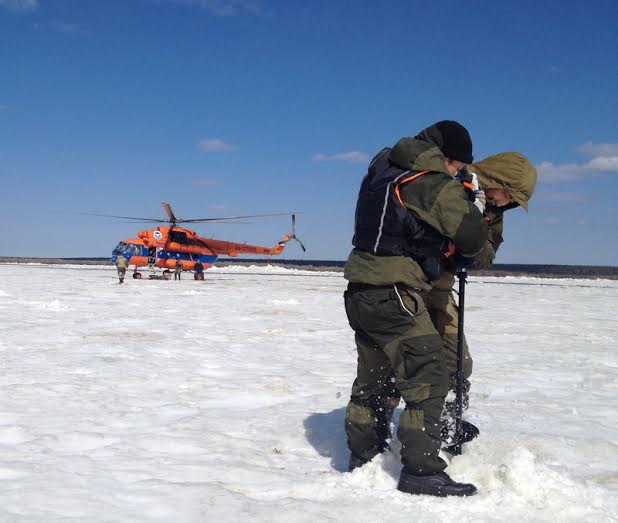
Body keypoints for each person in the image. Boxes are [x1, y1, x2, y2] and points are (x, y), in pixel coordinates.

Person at [343, 120, 488, 497]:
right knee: (430, 375)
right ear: (448, 158)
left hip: (360, 289)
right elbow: (471, 237)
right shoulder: (430, 180)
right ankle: (421, 471)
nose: (458, 173)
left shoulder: (384, 165)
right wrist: (470, 200)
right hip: (395, 292)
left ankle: (364, 457)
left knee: (374, 381)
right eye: (458, 166)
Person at [425, 152, 538, 445]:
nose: (506, 202)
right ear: (497, 179)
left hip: (440, 292)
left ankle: (447, 425)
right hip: (409, 285)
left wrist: (471, 244)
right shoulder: (450, 178)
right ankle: (383, 437)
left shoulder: (493, 211)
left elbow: (487, 253)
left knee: (457, 362)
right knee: (406, 361)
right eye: (508, 194)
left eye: (512, 200)